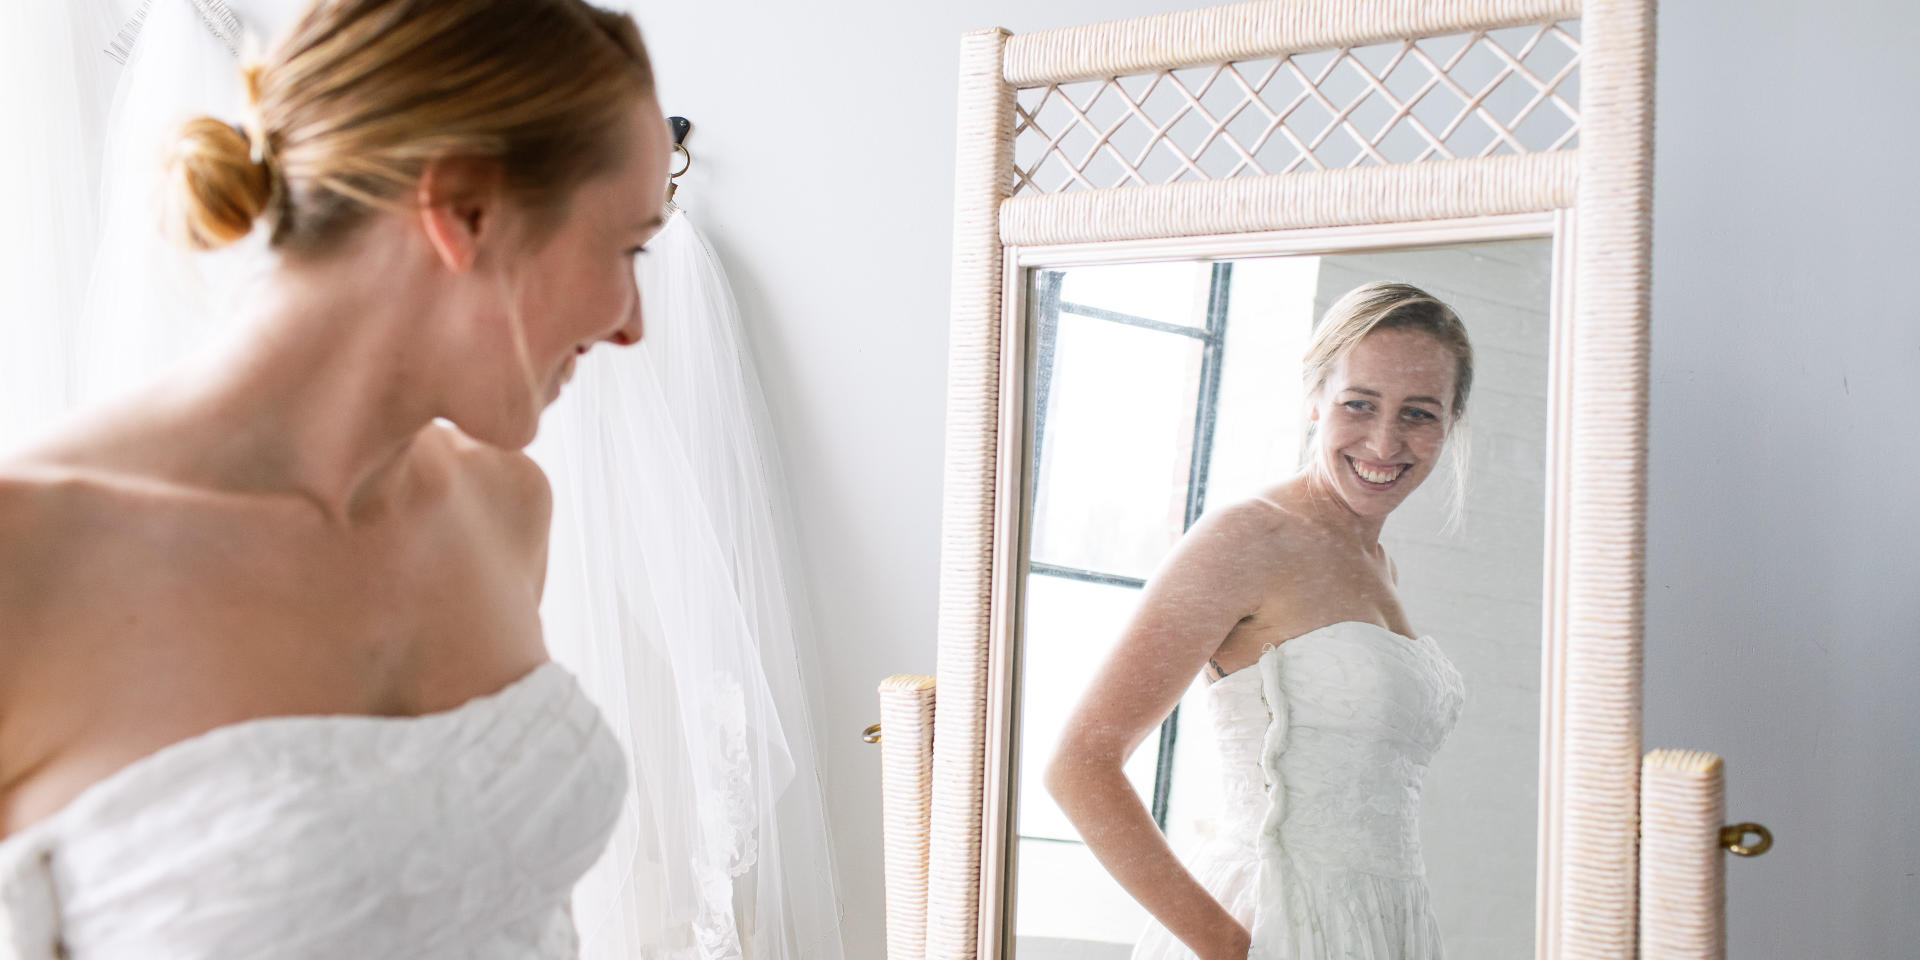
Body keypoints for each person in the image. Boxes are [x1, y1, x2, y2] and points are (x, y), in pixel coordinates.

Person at [0, 1, 669, 955]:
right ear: (463, 213)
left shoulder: (506, 512)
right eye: (628, 247)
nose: (631, 322)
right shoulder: (23, 561)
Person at [1045, 282, 1474, 960]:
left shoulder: (1378, 566)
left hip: (1379, 928)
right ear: (1314, 398)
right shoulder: (1246, 538)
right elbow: (1079, 765)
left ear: (1450, 423)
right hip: (1266, 925)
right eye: (1358, 404)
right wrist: (1229, 947)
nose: (1384, 440)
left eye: (1418, 413)